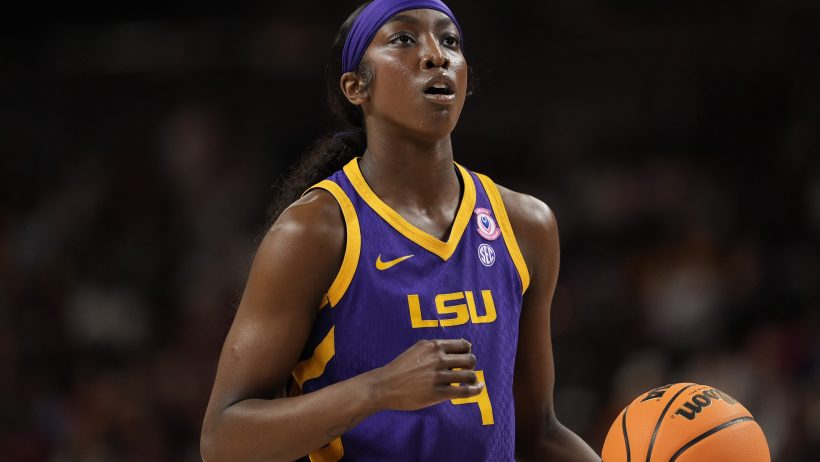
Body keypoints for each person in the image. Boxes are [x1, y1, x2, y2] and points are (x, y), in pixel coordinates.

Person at [201, 1, 601, 460]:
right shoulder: (316, 230)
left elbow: (538, 431)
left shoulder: (526, 225)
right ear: (356, 87)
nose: (436, 56)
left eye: (450, 41)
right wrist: (377, 389)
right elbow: (223, 439)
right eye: (404, 39)